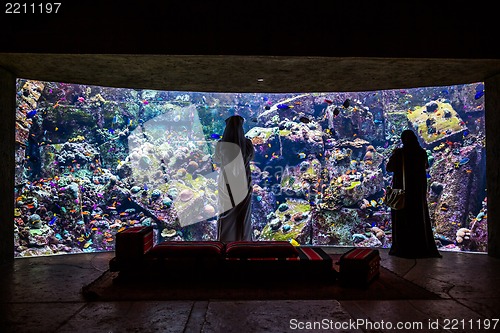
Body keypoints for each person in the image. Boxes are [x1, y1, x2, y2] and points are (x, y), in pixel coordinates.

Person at [386, 129, 441, 258]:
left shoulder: (400, 153)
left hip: (402, 192)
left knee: (402, 219)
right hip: (417, 193)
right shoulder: (421, 152)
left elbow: (389, 168)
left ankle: (402, 248)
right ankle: (420, 247)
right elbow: (426, 166)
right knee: (418, 218)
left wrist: (394, 155)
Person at [214, 115, 255, 241]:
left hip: (226, 181)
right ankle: (243, 242)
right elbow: (251, 157)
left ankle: (224, 242)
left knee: (226, 212)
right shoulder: (247, 143)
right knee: (243, 214)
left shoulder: (221, 144)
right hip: (243, 182)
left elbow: (217, 160)